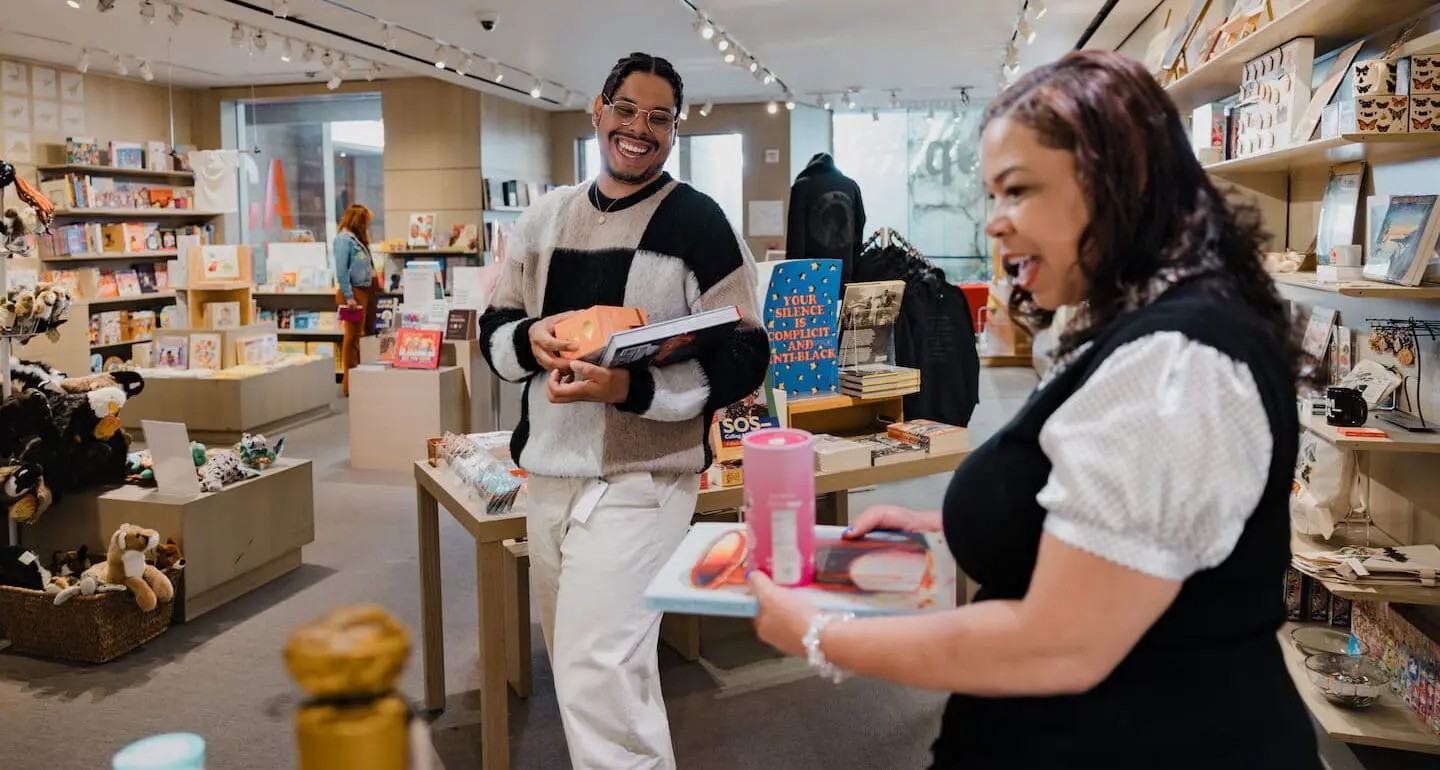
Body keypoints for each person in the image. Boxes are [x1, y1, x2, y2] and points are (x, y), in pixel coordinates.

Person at [749, 50, 1320, 770]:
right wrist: (948, 524)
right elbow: (1112, 525)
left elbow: (1059, 642)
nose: (994, 224)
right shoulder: (1149, 323)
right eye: (991, 196)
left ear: (1120, 180)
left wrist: (822, 633)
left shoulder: (1176, 363)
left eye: (1016, 192)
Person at [478, 52, 769, 769]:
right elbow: (494, 334)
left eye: (659, 117)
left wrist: (630, 390)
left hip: (644, 480)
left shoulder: (699, 222)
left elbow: (746, 354)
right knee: (605, 670)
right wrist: (531, 338)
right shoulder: (543, 218)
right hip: (548, 476)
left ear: (675, 129)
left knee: (594, 671)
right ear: (598, 110)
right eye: (628, 109)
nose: (640, 128)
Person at [333, 203, 378, 396]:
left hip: (365, 292)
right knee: (351, 339)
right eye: (365, 221)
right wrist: (349, 297)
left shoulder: (357, 240)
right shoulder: (344, 239)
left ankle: (363, 379)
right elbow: (341, 270)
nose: (367, 225)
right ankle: (349, 385)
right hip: (354, 294)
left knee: (363, 336)